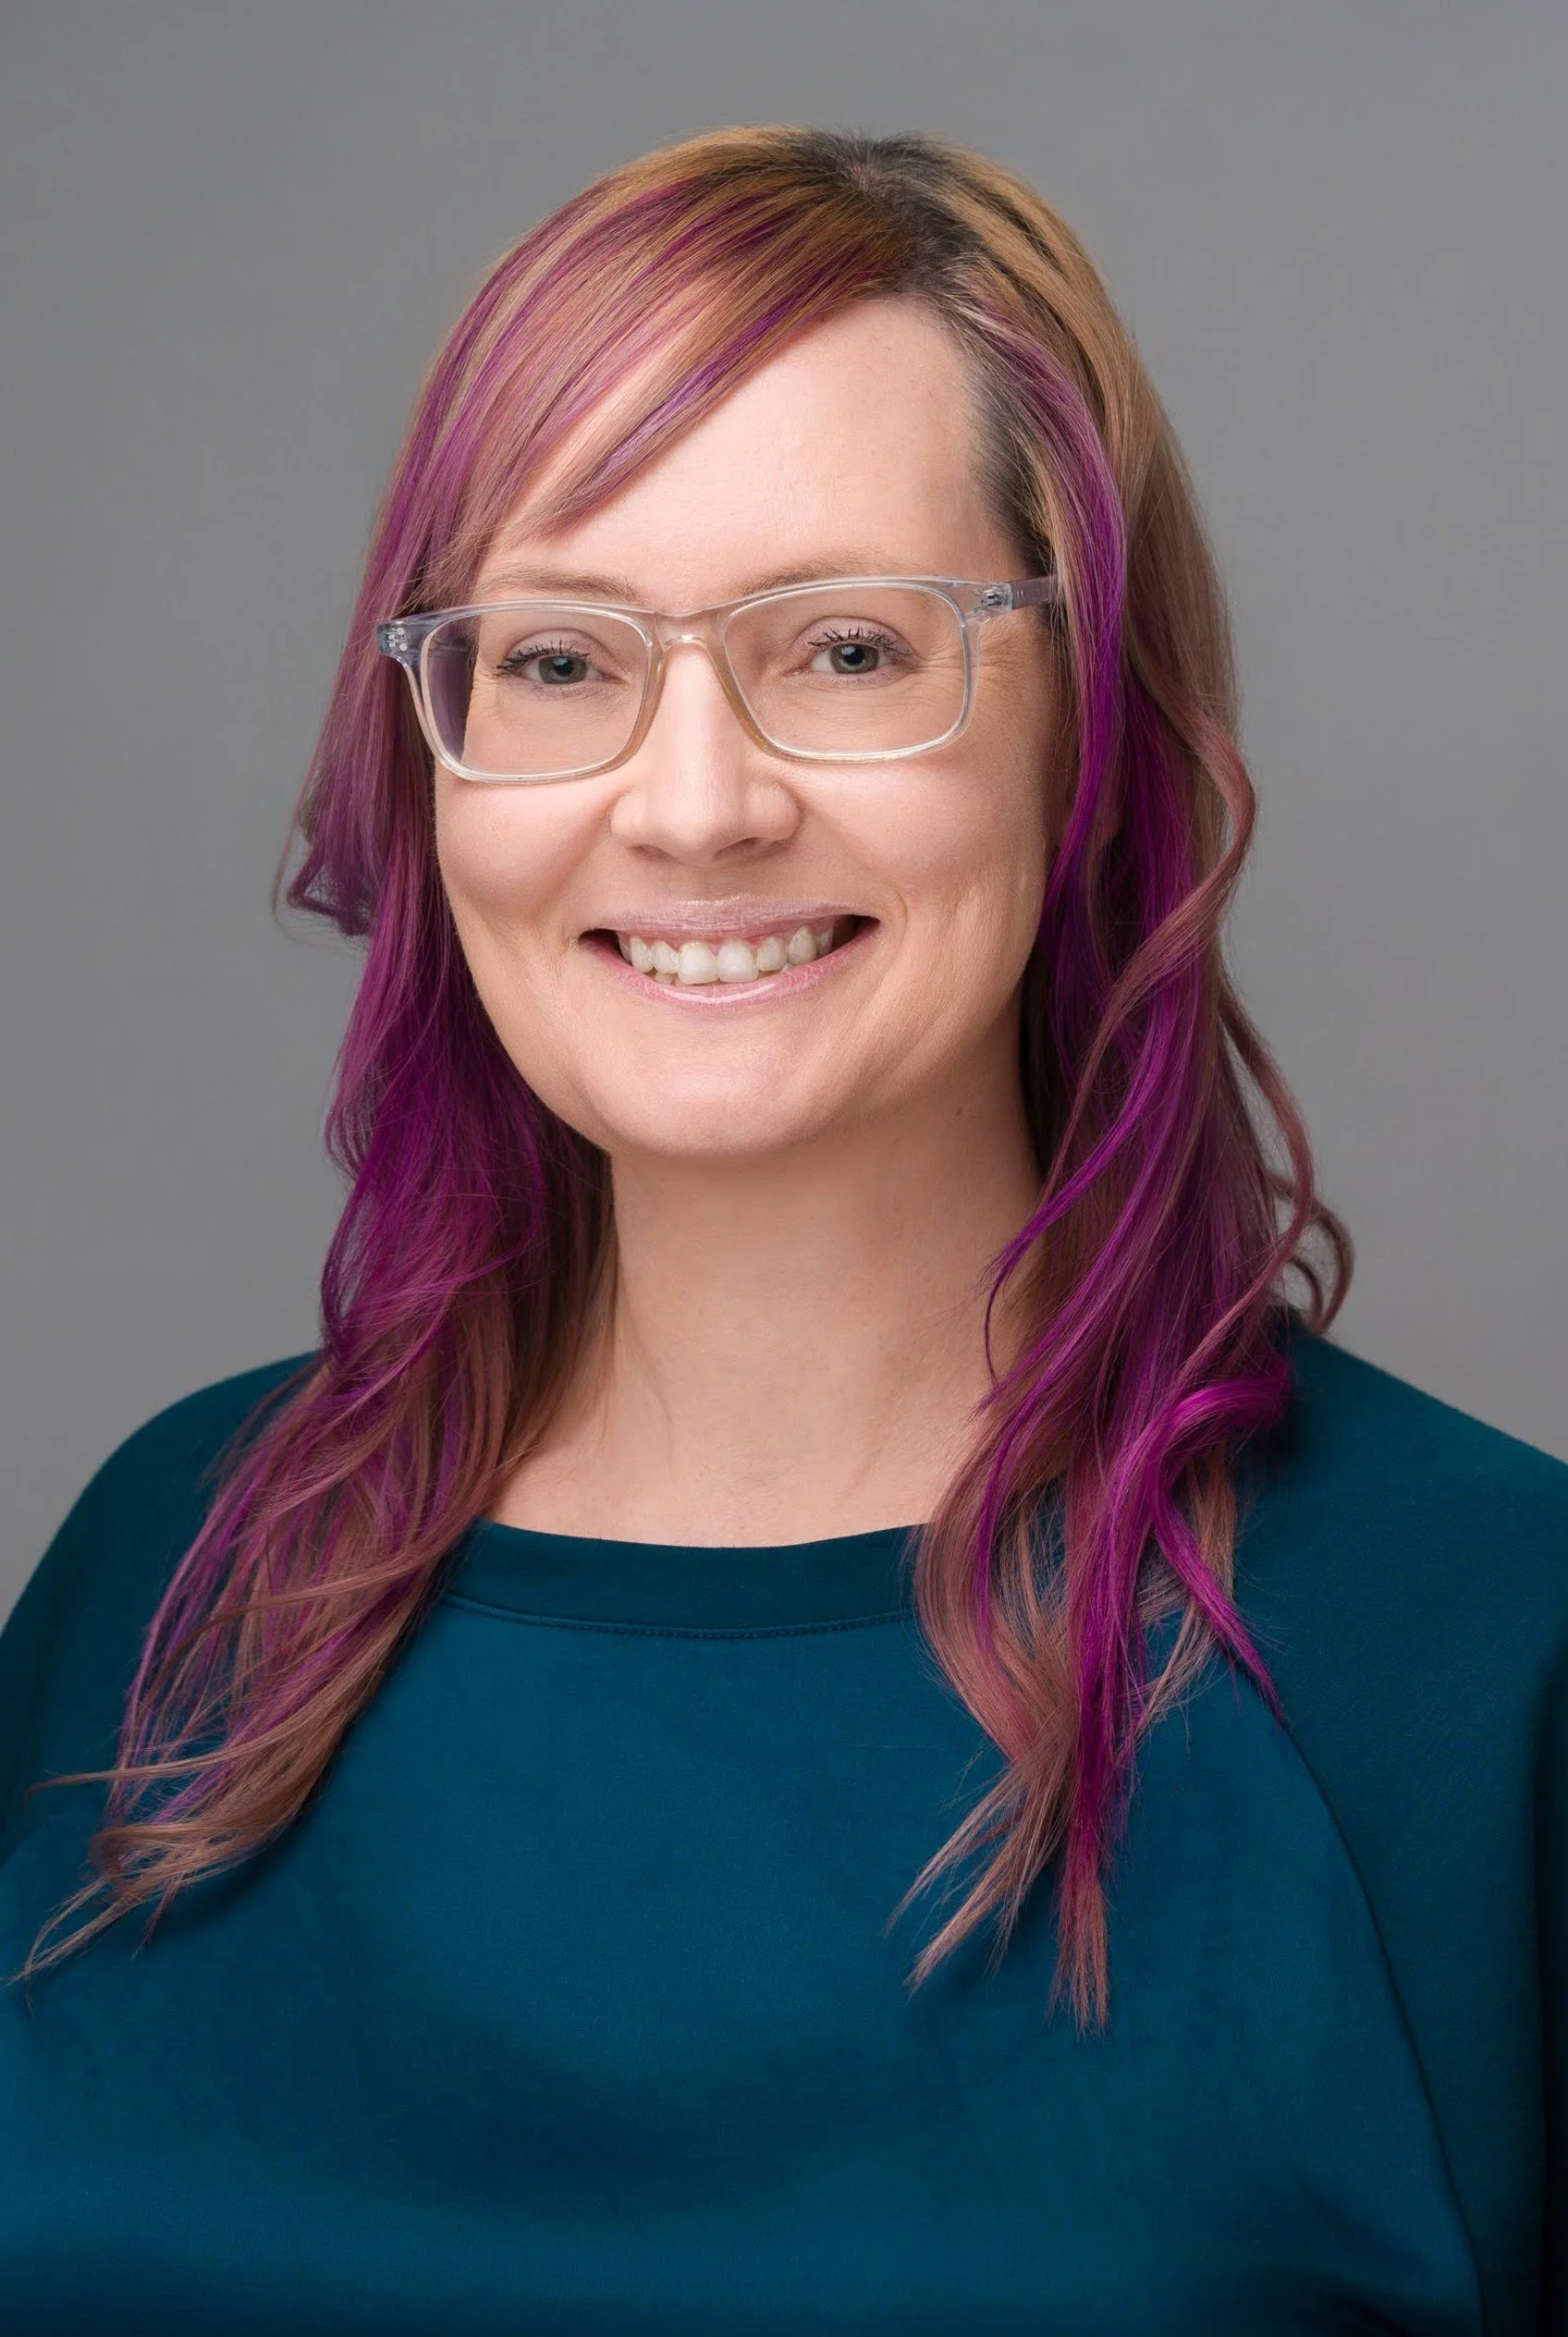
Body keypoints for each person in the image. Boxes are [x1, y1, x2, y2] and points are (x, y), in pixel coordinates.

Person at [1, 124, 1563, 2335]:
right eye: (558, 660)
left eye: (844, 648)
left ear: (1086, 733)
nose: (696, 800)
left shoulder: (1482, 1663)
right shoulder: (170, 1576)